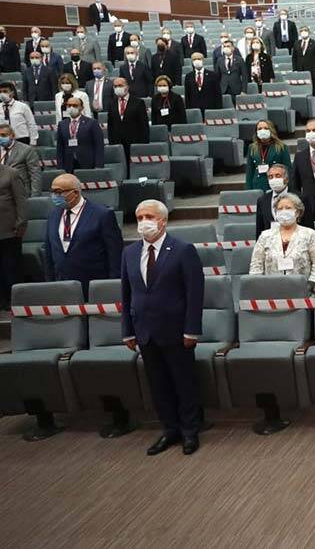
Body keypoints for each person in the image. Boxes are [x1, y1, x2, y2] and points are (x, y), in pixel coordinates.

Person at [121, 199, 204, 456]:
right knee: (158, 386)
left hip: (176, 330)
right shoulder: (129, 253)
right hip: (145, 331)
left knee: (184, 383)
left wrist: (192, 330)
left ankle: (190, 432)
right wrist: (127, 330)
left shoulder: (183, 250)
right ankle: (170, 429)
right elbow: (126, 293)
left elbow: (194, 293)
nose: (143, 222)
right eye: (139, 217)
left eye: (149, 217)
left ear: (163, 221)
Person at [44, 173, 122, 288]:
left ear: (75, 193)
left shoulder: (102, 214)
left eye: (59, 192)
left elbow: (115, 254)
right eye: (53, 192)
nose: (55, 196)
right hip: (61, 285)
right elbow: (49, 253)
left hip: (93, 285)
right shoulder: (53, 215)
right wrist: (50, 284)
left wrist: (112, 286)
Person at [249, 192, 315, 290]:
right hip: (271, 290)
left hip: (303, 291)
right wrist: (260, 288)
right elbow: (256, 266)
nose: (284, 211)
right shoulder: (265, 236)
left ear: (297, 212)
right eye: (280, 209)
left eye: (288, 208)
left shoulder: (310, 234)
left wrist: (310, 287)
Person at [0, 157, 28, 319]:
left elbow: (21, 201)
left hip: (10, 231)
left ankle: (15, 302)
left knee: (11, 268)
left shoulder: (11, 173)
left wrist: (21, 224)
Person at [106, 77, 149, 165]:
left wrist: (143, 144)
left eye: (120, 85)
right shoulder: (111, 104)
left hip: (134, 142)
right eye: (115, 86)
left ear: (127, 87)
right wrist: (112, 143)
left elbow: (144, 125)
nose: (118, 88)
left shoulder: (138, 102)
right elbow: (110, 125)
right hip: (117, 142)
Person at [55, 96, 104, 173]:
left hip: (88, 164)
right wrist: (60, 167)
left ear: (81, 107)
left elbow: (99, 145)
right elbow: (60, 148)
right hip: (68, 165)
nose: (71, 107)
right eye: (69, 105)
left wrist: (98, 166)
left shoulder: (92, 123)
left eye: (75, 105)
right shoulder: (62, 124)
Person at [245, 120, 290, 192]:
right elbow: (249, 172)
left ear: (271, 130)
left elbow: (288, 169)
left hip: (276, 184)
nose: (262, 131)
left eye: (266, 128)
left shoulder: (281, 147)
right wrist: (248, 190)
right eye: (259, 129)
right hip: (257, 185)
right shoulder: (252, 148)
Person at [0, 124, 40, 194]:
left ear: (12, 135)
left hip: (20, 193)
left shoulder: (27, 150)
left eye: (3, 135)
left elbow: (35, 175)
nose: (0, 138)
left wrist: (35, 196)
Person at [255, 164, 291, 236]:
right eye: (270, 177)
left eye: (278, 176)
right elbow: (260, 228)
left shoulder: (300, 198)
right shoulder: (262, 200)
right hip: (270, 240)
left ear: (286, 179)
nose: (274, 179)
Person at [290, 25, 315, 91]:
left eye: (305, 30)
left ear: (309, 32)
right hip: (300, 70)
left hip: (312, 70)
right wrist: (294, 69)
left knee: (313, 88)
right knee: (301, 88)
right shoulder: (296, 43)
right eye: (301, 31)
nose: (303, 32)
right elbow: (294, 58)